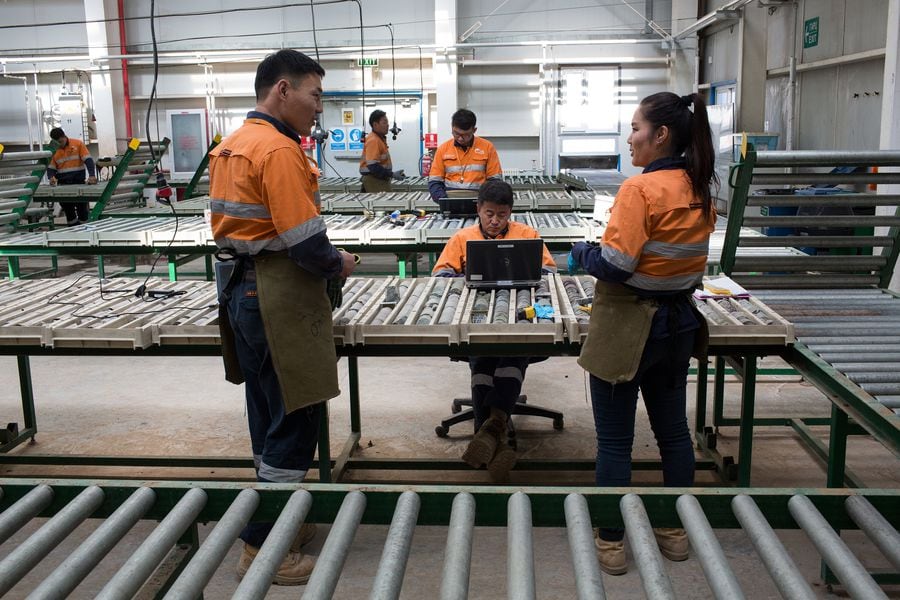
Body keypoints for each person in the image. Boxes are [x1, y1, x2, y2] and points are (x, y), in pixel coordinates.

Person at [208, 49, 357, 586]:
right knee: (298, 411)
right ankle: (263, 545)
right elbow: (303, 241)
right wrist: (339, 262)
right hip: (278, 294)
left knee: (267, 406)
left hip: (242, 291)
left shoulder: (231, 144)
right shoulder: (277, 150)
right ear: (283, 91)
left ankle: (279, 518)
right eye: (315, 95)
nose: (320, 107)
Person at [569, 92, 717, 575]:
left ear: (661, 135)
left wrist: (582, 252)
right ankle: (674, 532)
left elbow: (616, 265)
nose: (629, 138)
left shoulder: (640, 190)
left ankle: (611, 541)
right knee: (674, 435)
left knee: (615, 443)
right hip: (677, 329)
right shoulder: (699, 187)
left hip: (628, 329)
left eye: (635, 128)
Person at [433, 178, 556, 481]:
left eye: (502, 215)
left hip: (518, 313)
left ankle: (487, 430)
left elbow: (551, 272)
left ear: (510, 212)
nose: (495, 220)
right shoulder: (462, 238)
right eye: (489, 214)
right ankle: (496, 432)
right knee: (483, 353)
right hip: (475, 315)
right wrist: (461, 278)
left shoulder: (528, 235)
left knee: (513, 348)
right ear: (479, 209)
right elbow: (440, 275)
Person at [427, 108, 502, 202]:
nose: (460, 139)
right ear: (452, 127)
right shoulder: (443, 149)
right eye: (456, 133)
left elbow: (495, 181)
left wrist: (485, 202)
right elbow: (435, 181)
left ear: (474, 130)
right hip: (449, 200)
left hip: (479, 201)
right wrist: (443, 201)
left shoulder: (487, 147)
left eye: (466, 135)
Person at [47, 127, 97, 226]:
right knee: (69, 211)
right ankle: (74, 233)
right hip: (63, 186)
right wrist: (51, 177)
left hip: (79, 183)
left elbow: (88, 160)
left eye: (61, 141)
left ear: (64, 137)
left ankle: (85, 232)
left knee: (82, 210)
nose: (59, 144)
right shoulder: (53, 150)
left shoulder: (78, 144)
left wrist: (92, 175)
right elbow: (51, 167)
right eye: (57, 143)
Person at [358, 109, 404, 192]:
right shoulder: (374, 140)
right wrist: (392, 174)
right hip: (374, 181)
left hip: (378, 179)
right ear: (375, 125)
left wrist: (391, 174)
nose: (387, 125)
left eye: (387, 122)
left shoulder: (380, 139)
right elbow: (373, 166)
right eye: (384, 122)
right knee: (385, 204)